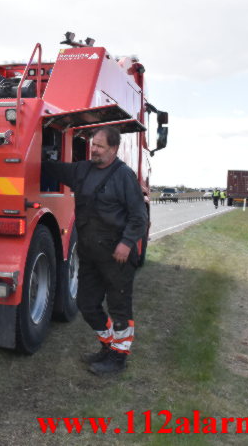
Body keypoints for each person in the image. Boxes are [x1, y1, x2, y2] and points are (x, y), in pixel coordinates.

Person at [43, 127, 147, 376]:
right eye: (93, 144)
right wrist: (35, 157)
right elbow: (56, 169)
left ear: (113, 149)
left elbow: (139, 217)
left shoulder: (124, 176)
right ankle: (109, 346)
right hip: (90, 254)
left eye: (100, 146)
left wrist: (127, 243)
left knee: (119, 307)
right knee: (87, 304)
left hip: (117, 255)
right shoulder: (83, 170)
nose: (94, 149)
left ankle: (119, 358)